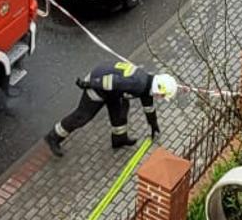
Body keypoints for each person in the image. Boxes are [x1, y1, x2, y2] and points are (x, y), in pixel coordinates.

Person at [44, 61, 179, 156]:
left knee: (120, 113)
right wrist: (89, 84)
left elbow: (148, 107)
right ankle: (53, 137)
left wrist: (153, 123)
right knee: (83, 116)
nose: (161, 98)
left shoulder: (147, 86)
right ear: (159, 89)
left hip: (113, 90)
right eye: (163, 95)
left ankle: (119, 140)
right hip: (99, 85)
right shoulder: (138, 84)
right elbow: (111, 82)